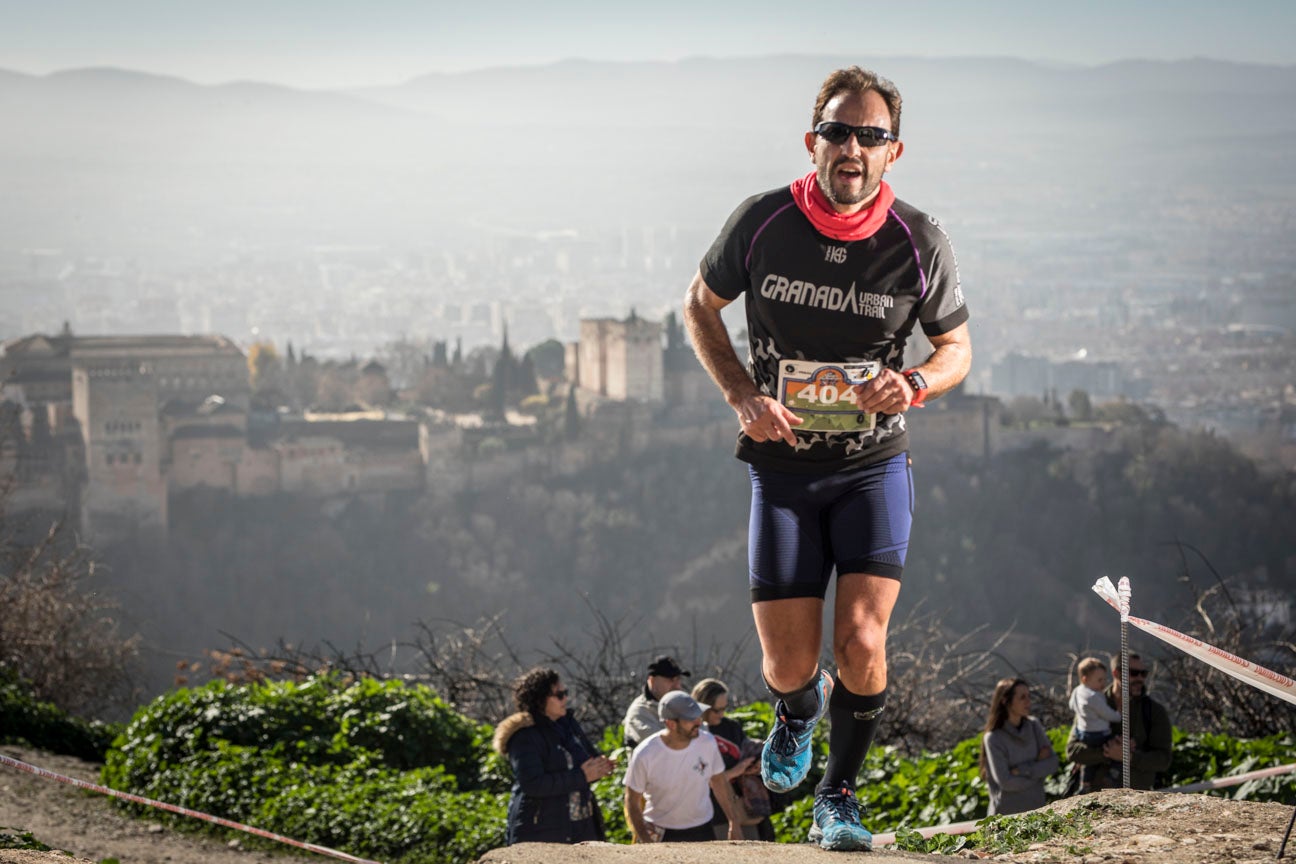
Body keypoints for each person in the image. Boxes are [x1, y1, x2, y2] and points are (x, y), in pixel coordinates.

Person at [682, 65, 971, 851]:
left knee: (864, 643)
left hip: (874, 465)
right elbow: (698, 305)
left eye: (869, 135)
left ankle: (838, 798)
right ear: (813, 142)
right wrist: (743, 394)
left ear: (893, 152)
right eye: (839, 132)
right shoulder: (764, 221)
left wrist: (911, 383)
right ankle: (796, 713)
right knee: (789, 660)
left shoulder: (919, 238)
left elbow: (957, 349)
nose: (853, 147)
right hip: (782, 469)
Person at [495, 667, 615, 845]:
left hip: (582, 827)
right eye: (559, 695)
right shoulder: (524, 736)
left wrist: (599, 768)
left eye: (565, 693)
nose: (565, 698)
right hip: (541, 830)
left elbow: (584, 766)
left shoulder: (567, 727)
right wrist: (582, 776)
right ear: (540, 699)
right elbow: (533, 784)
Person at [623, 691, 749, 843]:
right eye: (691, 719)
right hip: (660, 833)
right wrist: (645, 841)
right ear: (671, 723)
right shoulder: (645, 754)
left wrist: (733, 821)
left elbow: (719, 782)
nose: (699, 722)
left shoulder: (707, 742)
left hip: (703, 830)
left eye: (698, 715)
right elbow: (632, 801)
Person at [1066, 653, 1173, 790]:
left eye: (1143, 673)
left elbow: (1163, 760)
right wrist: (1107, 752)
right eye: (1134, 673)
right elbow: (1072, 750)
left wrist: (1129, 756)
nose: (1140, 678)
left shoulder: (1154, 711)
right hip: (1093, 797)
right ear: (1116, 673)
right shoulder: (1091, 702)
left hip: (1135, 799)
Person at [691, 677, 772, 841]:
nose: (722, 714)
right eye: (716, 710)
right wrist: (735, 771)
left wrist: (753, 766)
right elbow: (697, 780)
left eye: (724, 708)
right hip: (712, 813)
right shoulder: (692, 733)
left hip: (743, 806)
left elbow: (742, 753)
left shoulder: (731, 727)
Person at [979, 677, 1058, 815]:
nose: (1028, 702)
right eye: (1022, 697)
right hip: (1005, 818)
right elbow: (1006, 782)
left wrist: (1021, 770)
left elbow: (1053, 764)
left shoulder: (1034, 726)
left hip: (1037, 812)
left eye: (1029, 696)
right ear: (1005, 700)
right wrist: (1038, 771)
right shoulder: (993, 738)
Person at [1068, 657, 1123, 791]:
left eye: (1104, 679)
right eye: (1099, 680)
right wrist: (1119, 714)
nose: (1103, 684)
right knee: (1117, 748)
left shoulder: (1077, 691)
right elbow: (1109, 715)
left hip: (1083, 732)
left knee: (1089, 760)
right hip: (1099, 733)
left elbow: (1071, 705)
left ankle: (1085, 782)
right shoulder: (1094, 697)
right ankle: (1113, 774)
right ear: (1085, 679)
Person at [623, 655, 689, 748]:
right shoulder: (639, 712)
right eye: (670, 679)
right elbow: (660, 746)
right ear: (652, 681)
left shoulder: (684, 705)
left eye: (678, 679)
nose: (677, 686)